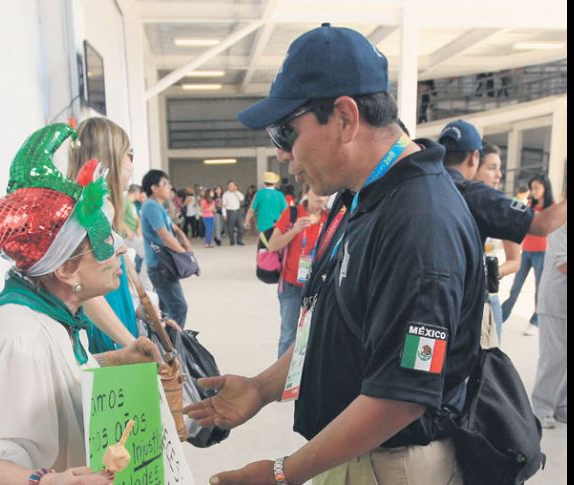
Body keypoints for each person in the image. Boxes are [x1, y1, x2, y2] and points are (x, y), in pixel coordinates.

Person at [184, 24, 486, 485]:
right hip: (357, 454)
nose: (283, 155)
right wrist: (261, 388)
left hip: (392, 463)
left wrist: (282, 473)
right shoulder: (366, 196)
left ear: (345, 118)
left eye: (285, 132)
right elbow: (333, 319)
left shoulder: (420, 223)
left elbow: (401, 397)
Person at [0, 124, 162, 485]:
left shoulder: (55, 314)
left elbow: (52, 385)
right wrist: (51, 481)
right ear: (65, 269)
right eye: (104, 242)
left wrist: (114, 360)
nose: (121, 249)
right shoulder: (20, 337)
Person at [438, 122, 566, 342]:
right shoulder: (478, 195)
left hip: (428, 306)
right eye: (492, 167)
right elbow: (543, 224)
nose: (498, 175)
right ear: (473, 159)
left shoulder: (423, 187)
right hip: (464, 310)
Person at [68, 117, 141, 352]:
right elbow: (87, 293)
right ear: (110, 158)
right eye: (128, 153)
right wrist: (129, 343)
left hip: (114, 315)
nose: (131, 163)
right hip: (106, 328)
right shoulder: (92, 212)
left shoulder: (98, 206)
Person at [266, 185, 328, 357]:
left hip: (318, 287)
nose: (320, 198)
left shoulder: (331, 218)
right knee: (289, 335)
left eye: (325, 195)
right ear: (306, 193)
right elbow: (272, 245)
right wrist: (294, 230)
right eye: (317, 192)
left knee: (315, 335)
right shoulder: (292, 214)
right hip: (291, 285)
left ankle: (303, 378)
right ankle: (280, 382)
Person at [472, 142, 522, 344]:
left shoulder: (502, 210)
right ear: (473, 164)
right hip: (460, 300)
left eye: (499, 168)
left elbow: (514, 261)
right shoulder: (456, 203)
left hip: (488, 300)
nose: (499, 175)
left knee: (488, 369)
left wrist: (492, 272)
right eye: (491, 168)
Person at [501, 173, 556, 335]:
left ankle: (535, 321)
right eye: (532, 188)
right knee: (515, 286)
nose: (534, 191)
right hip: (526, 251)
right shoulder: (530, 205)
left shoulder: (552, 207)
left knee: (540, 289)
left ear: (546, 188)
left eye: (537, 188)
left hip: (542, 252)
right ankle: (502, 316)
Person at [140, 169, 192, 327]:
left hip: (162, 265)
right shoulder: (151, 206)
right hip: (160, 265)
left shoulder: (157, 207)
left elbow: (172, 229)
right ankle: (174, 346)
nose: (169, 187)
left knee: (165, 309)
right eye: (165, 184)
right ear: (154, 188)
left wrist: (184, 240)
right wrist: (184, 253)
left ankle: (164, 345)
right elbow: (165, 236)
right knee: (179, 307)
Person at [530, 221, 567, 428]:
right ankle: (541, 408)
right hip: (555, 302)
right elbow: (563, 265)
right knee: (554, 357)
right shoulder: (560, 225)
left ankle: (561, 404)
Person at [222, 179, 245, 245]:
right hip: (230, 212)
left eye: (232, 185)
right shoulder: (225, 194)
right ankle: (232, 240)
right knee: (230, 229)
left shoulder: (237, 193)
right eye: (230, 185)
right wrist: (224, 214)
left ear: (235, 186)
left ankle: (239, 240)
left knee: (241, 227)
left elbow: (242, 198)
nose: (231, 187)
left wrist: (236, 192)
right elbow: (224, 206)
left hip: (238, 211)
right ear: (227, 186)